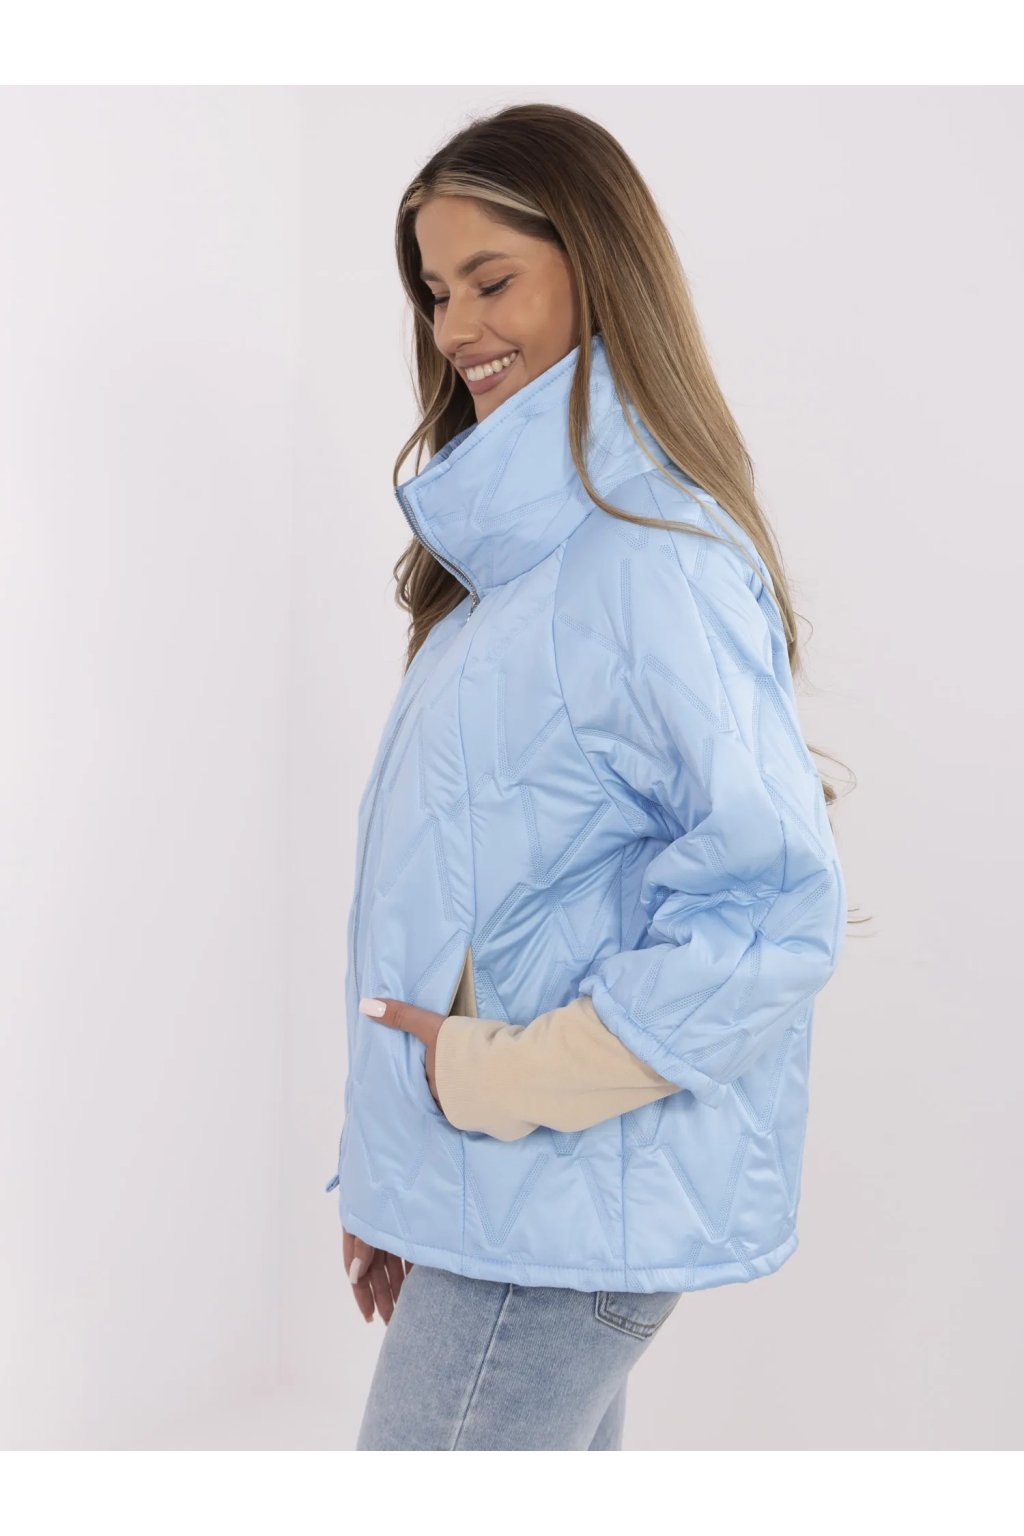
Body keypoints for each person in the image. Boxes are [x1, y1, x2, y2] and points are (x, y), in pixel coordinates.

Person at [324, 102, 853, 1451]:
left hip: (555, 1213)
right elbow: (473, 906)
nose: (455, 327)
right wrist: (408, 1177)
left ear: (597, 267)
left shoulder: (648, 558)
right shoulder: (516, 573)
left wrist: (490, 1085)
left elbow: (772, 919)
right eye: (436, 292)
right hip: (513, 1201)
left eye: (491, 279)